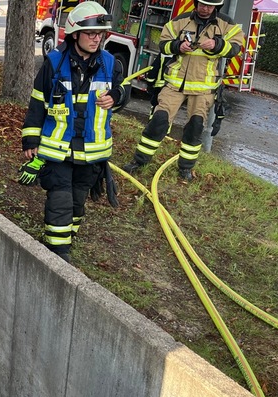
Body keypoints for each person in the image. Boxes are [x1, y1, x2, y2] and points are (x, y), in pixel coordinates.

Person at [18, 1, 128, 264]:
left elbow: (124, 92)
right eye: (90, 33)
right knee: (61, 198)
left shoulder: (110, 64)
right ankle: (57, 253)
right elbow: (37, 102)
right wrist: (30, 138)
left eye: (100, 34)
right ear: (75, 33)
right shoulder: (54, 63)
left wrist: (116, 95)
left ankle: (66, 237)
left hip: (92, 153)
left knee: (78, 201)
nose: (96, 38)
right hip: (58, 150)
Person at [121, 0, 243, 181]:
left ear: (216, 7)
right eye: (202, 4)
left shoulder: (227, 24)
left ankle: (185, 168)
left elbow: (236, 47)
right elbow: (163, 43)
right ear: (196, 3)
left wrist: (217, 45)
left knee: (195, 127)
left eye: (210, 6)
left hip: (203, 89)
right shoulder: (181, 20)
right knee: (159, 121)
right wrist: (177, 46)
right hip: (174, 85)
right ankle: (139, 161)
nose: (206, 9)